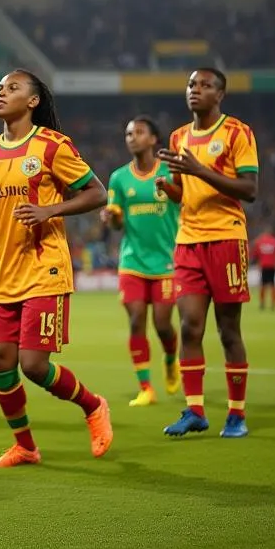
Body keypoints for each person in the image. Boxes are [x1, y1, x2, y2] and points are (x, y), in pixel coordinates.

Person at [0, 69, 113, 469]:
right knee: (0, 361)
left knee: (34, 365)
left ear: (33, 101)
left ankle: (93, 405)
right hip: (3, 273)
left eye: (12, 88)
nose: (0, 93)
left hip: (45, 269)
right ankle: (24, 446)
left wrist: (50, 209)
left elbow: (98, 193)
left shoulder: (53, 146)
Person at [157, 68, 259, 439]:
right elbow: (188, 193)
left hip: (227, 240)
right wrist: (171, 189)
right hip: (188, 241)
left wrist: (200, 169)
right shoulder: (179, 136)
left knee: (228, 329)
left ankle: (236, 414)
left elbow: (249, 189)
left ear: (220, 95)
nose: (195, 90)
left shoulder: (237, 132)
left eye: (205, 85)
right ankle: (195, 410)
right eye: (191, 84)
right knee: (189, 326)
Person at [101, 116, 180, 406]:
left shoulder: (169, 173)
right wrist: (112, 218)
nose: (132, 137)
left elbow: (182, 200)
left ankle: (171, 358)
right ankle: (146, 387)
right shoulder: (119, 178)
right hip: (132, 260)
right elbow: (117, 223)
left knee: (162, 324)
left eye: (138, 132)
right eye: (128, 133)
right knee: (136, 321)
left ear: (153, 139)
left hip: (165, 261)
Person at [250, 230, 275, 311]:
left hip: (264, 266)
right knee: (273, 285)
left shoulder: (259, 241)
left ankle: (262, 303)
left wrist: (257, 262)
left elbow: (255, 254)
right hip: (273, 266)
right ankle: (273, 304)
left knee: (263, 285)